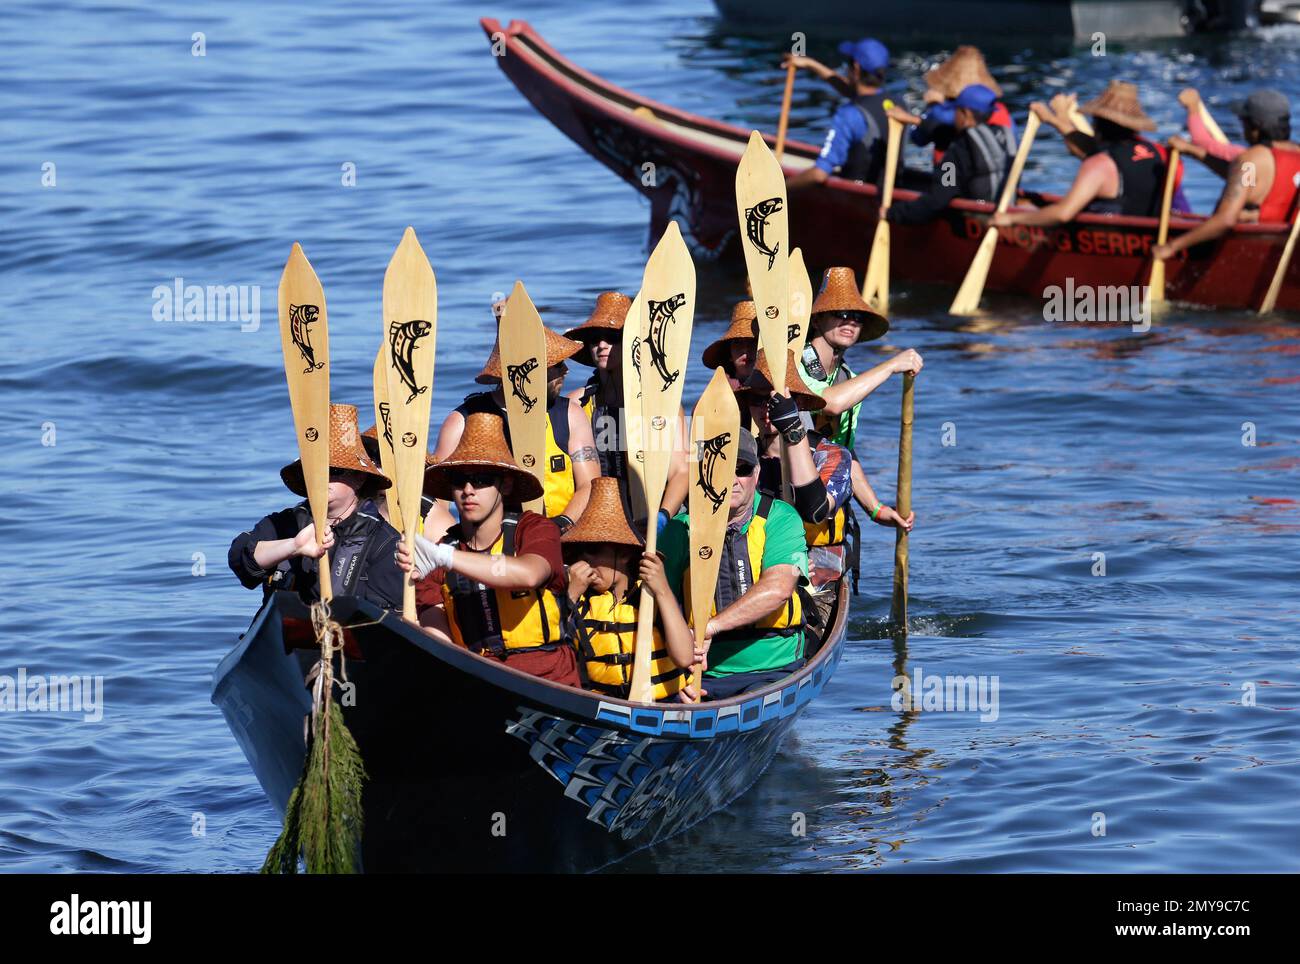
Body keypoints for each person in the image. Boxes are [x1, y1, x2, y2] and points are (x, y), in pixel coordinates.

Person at [398, 412, 578, 686]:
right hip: (480, 684)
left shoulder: (534, 529)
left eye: (481, 479)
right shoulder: (439, 553)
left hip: (550, 681)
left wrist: (446, 558)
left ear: (504, 484)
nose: (469, 490)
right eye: (459, 480)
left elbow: (531, 574)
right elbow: (438, 633)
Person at [740, 349, 913, 631]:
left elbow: (815, 509)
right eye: (758, 401)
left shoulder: (832, 456)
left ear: (798, 404)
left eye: (779, 401)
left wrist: (792, 430)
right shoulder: (739, 462)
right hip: (751, 568)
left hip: (816, 578)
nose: (768, 410)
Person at [659, 428, 809, 701]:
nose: (732, 479)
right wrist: (673, 675)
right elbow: (659, 604)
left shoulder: (781, 518)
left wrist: (710, 627)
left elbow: (778, 589)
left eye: (742, 469)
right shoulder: (680, 530)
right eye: (721, 467)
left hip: (773, 669)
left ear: (757, 473)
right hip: (702, 673)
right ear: (703, 473)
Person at [228, 403, 403, 609]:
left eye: (334, 470)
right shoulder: (284, 523)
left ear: (360, 478)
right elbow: (242, 561)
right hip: (283, 635)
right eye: (316, 468)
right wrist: (293, 546)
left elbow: (385, 616)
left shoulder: (385, 542)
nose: (323, 477)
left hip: (345, 637)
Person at [433, 323, 598, 533]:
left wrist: (560, 525)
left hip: (561, 536)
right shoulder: (462, 421)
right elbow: (439, 499)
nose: (566, 370)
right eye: (557, 364)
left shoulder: (570, 415)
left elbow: (589, 485)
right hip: (490, 543)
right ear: (530, 370)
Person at [563, 290, 688, 531]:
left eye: (612, 337)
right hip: (594, 520)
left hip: (649, 516)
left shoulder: (662, 404)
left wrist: (661, 517)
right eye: (595, 338)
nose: (601, 345)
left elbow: (681, 471)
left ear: (632, 343)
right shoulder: (576, 405)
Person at [560, 477, 693, 702]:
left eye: (592, 552)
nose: (584, 563)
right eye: (579, 554)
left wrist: (662, 591)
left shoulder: (649, 595)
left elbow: (684, 657)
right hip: (601, 710)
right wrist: (570, 597)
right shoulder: (579, 598)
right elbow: (556, 656)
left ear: (623, 553)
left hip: (661, 704)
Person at [996, 80, 1181, 227]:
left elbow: (1063, 214)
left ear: (1097, 125)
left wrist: (1010, 220)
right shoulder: (1153, 152)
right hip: (1146, 237)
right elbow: (1086, 145)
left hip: (1110, 238)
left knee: (1026, 207)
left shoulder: (1100, 163)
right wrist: (1053, 119)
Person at [1155, 89, 1300, 262]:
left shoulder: (1251, 159)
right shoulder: (1292, 154)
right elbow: (1242, 179)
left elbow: (1226, 220)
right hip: (1286, 251)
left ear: (1256, 126)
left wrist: (1171, 247)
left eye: (1243, 121)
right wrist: (1191, 151)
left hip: (1253, 253)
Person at [798, 267, 922, 452]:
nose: (851, 321)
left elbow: (844, 451)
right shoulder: (793, 362)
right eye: (842, 313)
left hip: (823, 471)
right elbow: (831, 403)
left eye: (858, 317)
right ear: (816, 320)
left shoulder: (848, 380)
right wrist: (891, 365)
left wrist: (865, 483)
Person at [887, 84, 1016, 224]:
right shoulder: (1006, 135)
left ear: (965, 113)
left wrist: (893, 213)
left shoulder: (957, 151)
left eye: (955, 110)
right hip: (1005, 211)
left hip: (978, 219)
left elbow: (938, 199)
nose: (953, 116)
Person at [786, 38, 896, 189]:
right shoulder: (896, 104)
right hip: (887, 190)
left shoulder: (850, 114)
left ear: (856, 68)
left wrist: (780, 191)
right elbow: (850, 90)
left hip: (858, 197)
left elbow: (819, 175)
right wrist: (810, 64)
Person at [898, 45, 1016, 165]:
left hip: (952, 177)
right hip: (997, 178)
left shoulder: (946, 114)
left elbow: (919, 138)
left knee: (947, 167)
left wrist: (932, 104)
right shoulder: (1000, 111)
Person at [360, 423, 454, 540]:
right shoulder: (354, 501)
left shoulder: (433, 520)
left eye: (380, 454)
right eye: (370, 452)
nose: (373, 461)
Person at [700, 300, 760, 389]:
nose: (746, 349)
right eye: (738, 342)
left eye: (753, 342)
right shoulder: (718, 389)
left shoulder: (782, 390)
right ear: (729, 354)